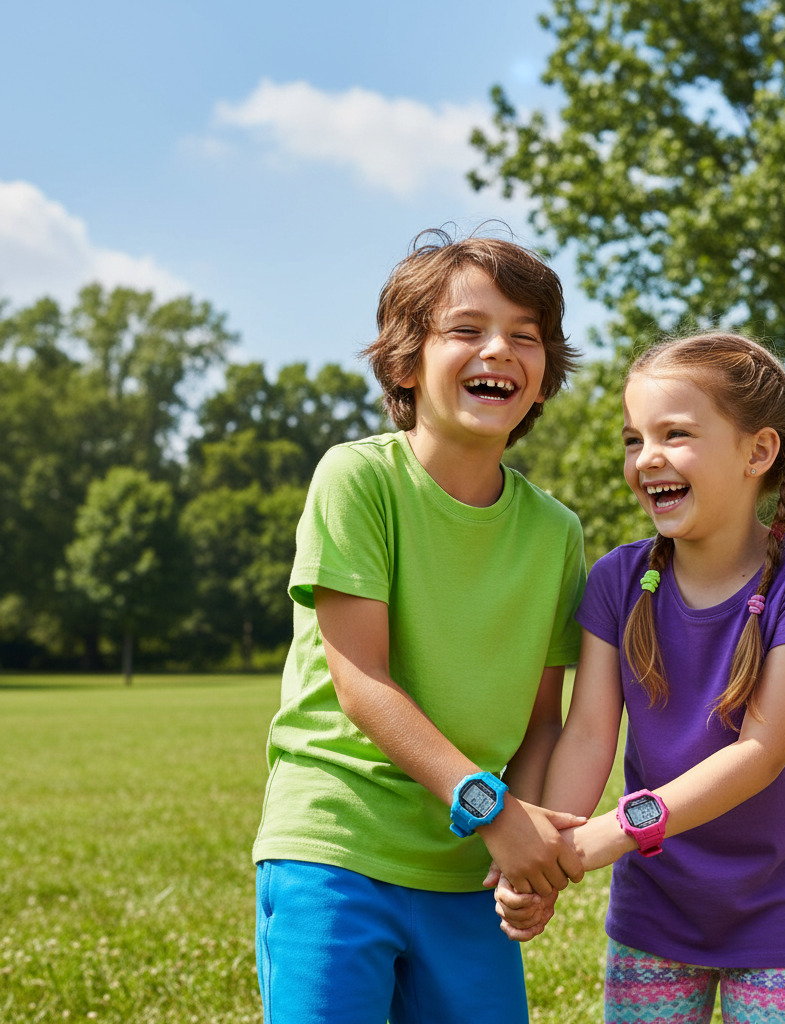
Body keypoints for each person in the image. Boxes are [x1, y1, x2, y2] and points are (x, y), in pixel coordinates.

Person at [252, 228, 590, 1024]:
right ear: (405, 363)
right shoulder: (357, 478)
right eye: (467, 330)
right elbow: (362, 682)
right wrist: (495, 809)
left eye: (525, 337)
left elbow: (543, 720)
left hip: (467, 868)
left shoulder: (556, 533)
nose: (498, 350)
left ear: (545, 378)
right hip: (335, 848)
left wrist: (520, 859)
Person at [496, 332, 785, 1024]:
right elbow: (589, 734)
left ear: (759, 451)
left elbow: (758, 754)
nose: (646, 458)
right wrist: (547, 858)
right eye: (634, 439)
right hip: (654, 914)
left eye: (675, 434)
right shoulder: (617, 579)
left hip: (779, 915)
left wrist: (612, 833)